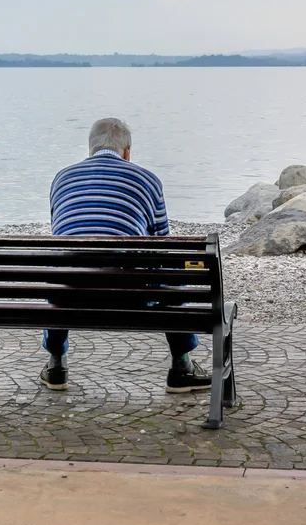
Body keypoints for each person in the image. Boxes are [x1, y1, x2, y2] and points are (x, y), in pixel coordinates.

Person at [40, 118, 212, 394]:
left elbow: (62, 235)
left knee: (63, 269)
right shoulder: (147, 179)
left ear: (90, 149)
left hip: (71, 293)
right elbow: (161, 244)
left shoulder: (62, 178)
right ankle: (181, 366)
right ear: (127, 151)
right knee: (170, 272)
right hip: (131, 293)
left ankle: (56, 364)